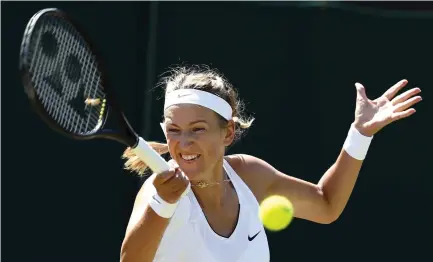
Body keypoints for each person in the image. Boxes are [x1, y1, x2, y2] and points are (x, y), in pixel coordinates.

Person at [119, 66, 422, 262]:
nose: (183, 143)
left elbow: (326, 204)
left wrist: (359, 135)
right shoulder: (157, 192)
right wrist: (162, 202)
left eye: (197, 129)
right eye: (174, 130)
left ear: (228, 133)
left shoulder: (250, 175)